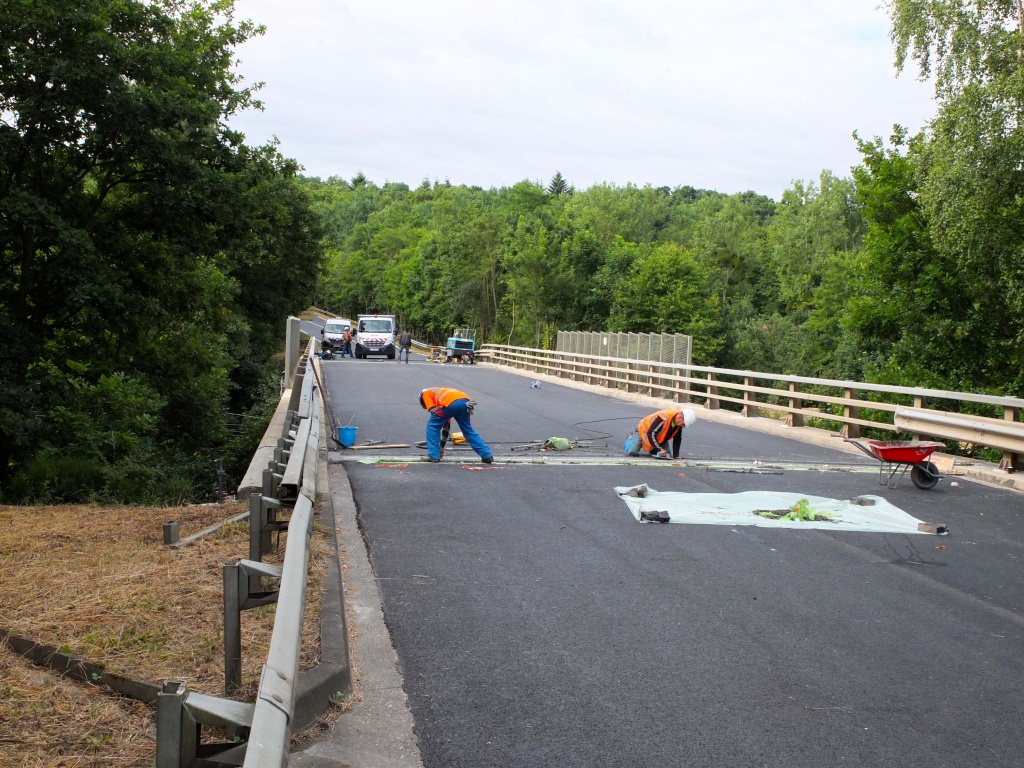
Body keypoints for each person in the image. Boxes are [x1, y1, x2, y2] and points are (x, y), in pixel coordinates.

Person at [419, 387, 494, 463]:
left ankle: (433, 455)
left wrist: (437, 451)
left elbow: (433, 412)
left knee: (432, 425)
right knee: (468, 430)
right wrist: (441, 447)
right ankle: (487, 455)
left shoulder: (425, 393)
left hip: (450, 403)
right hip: (465, 402)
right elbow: (446, 427)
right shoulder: (441, 394)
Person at [624, 408, 696, 459]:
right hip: (643, 430)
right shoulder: (664, 418)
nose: (683, 426)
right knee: (632, 452)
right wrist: (659, 449)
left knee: (666, 455)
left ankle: (654, 449)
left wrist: (676, 455)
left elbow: (677, 438)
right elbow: (651, 433)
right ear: (680, 418)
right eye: (683, 424)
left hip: (659, 436)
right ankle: (631, 438)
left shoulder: (678, 423)